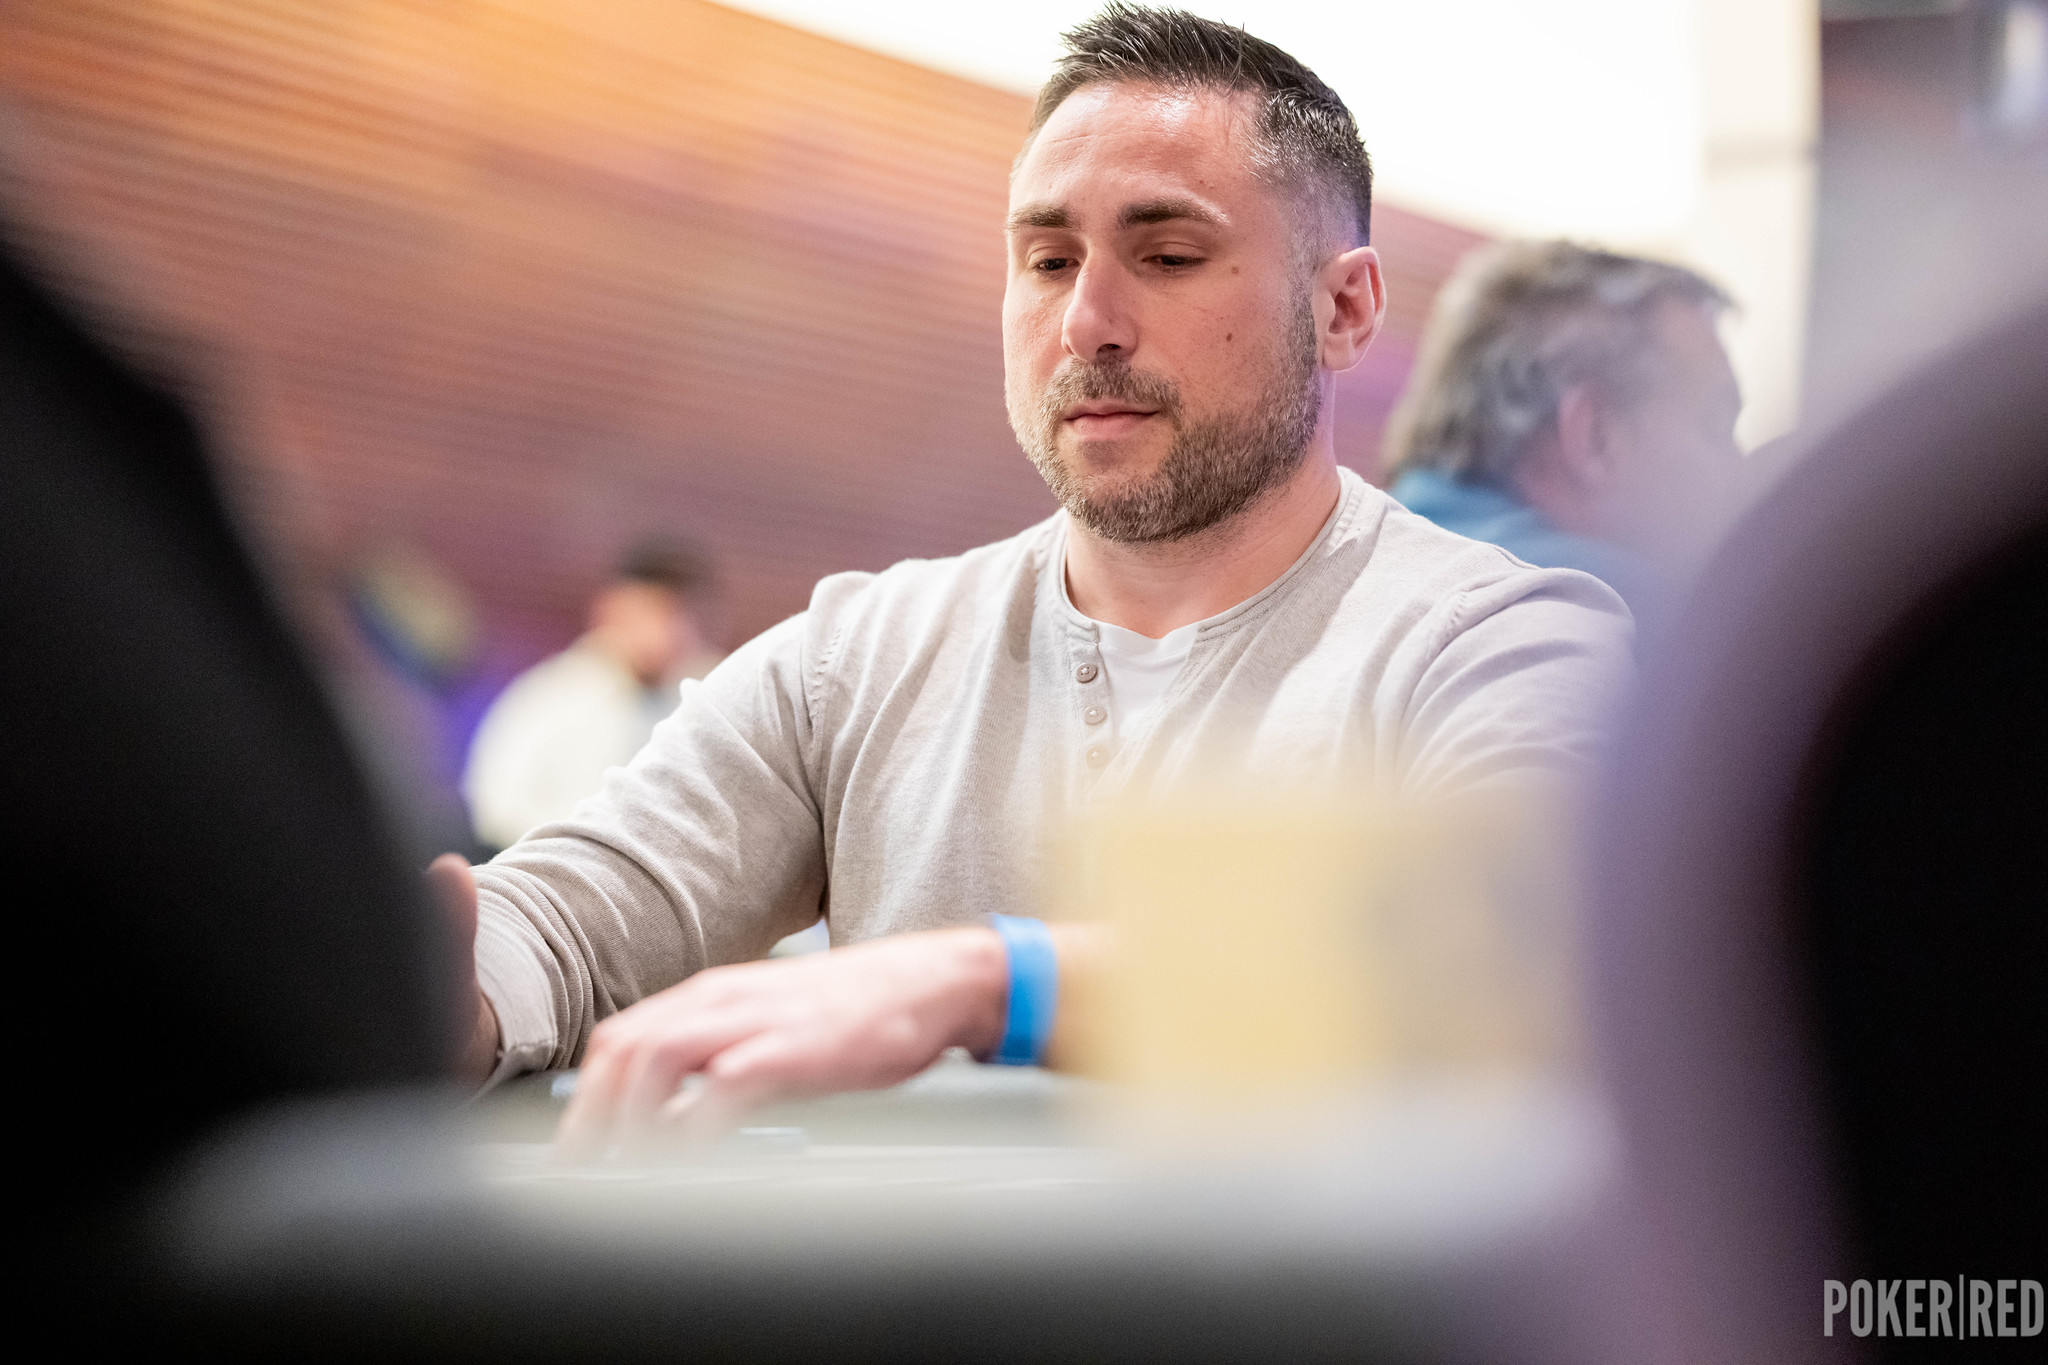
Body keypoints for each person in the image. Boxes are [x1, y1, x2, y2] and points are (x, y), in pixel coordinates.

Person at [438, 3, 1633, 1150]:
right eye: (1048, 260)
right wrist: (449, 978)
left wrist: (991, 985)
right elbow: (582, 913)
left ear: (1343, 308)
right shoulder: (855, 657)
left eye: (1167, 255)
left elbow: (1501, 954)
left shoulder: (1492, 641)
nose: (1087, 322)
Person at [1382, 240, 1744, 616]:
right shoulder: (1627, 613)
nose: (1741, 466)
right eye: (1717, 427)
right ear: (1596, 437)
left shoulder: (1373, 550)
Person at [462, 539, 721, 853]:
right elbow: (495, 806)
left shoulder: (707, 703)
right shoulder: (553, 697)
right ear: (609, 609)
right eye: (653, 614)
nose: (666, 633)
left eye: (681, 617)